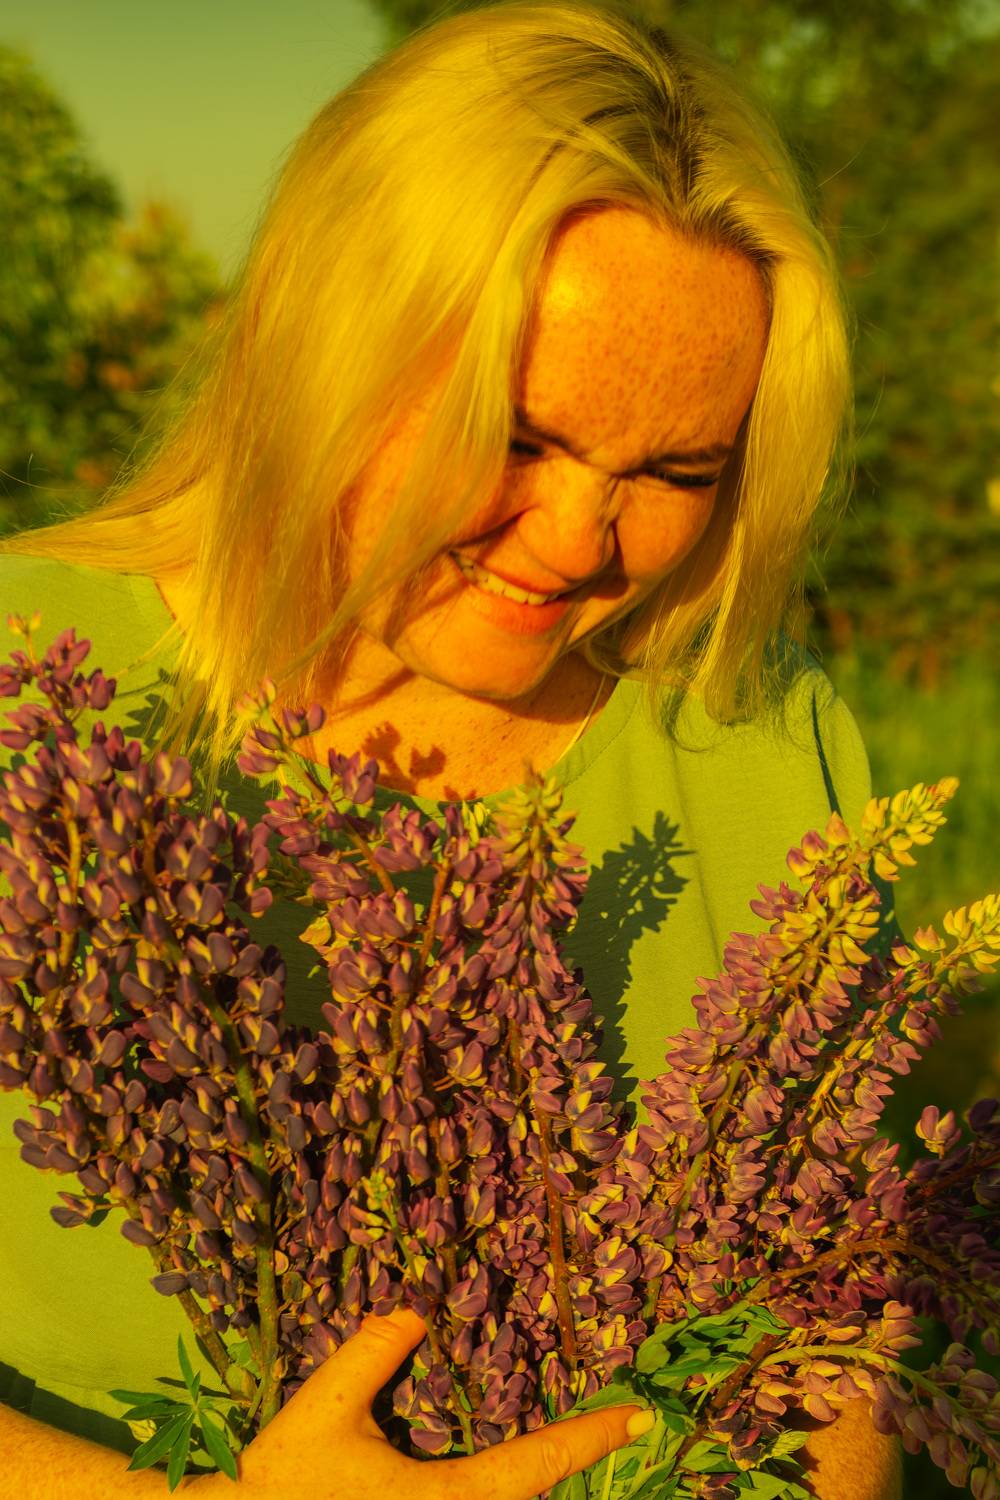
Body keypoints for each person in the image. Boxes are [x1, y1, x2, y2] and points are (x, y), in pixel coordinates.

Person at [0, 1, 904, 1495]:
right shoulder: (31, 683)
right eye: (521, 436)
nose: (580, 542)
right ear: (326, 342)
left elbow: (838, 1307)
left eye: (678, 468)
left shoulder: (759, 733)